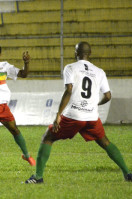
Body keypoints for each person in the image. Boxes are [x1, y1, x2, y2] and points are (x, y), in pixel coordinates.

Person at [25, 42, 132, 183]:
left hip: (74, 115)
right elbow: (108, 96)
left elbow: (69, 90)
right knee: (105, 141)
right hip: (91, 116)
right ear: (90, 53)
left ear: (75, 53)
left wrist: (58, 114)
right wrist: (95, 105)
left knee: (48, 137)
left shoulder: (70, 68)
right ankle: (128, 173)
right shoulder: (99, 71)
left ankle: (38, 177)